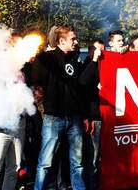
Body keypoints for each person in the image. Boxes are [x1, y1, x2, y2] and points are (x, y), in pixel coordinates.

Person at [33, 25, 86, 190]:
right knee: (46, 162)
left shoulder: (74, 59)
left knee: (77, 162)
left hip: (74, 117)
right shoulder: (46, 58)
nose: (76, 42)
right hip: (54, 117)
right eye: (72, 39)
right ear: (61, 41)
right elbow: (35, 82)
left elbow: (81, 85)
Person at [79, 39, 104, 190]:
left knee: (103, 156)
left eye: (103, 51)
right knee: (93, 156)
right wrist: (94, 60)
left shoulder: (105, 64)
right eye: (98, 51)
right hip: (94, 116)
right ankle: (92, 185)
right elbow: (83, 83)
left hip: (107, 116)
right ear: (91, 51)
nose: (101, 54)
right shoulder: (87, 65)